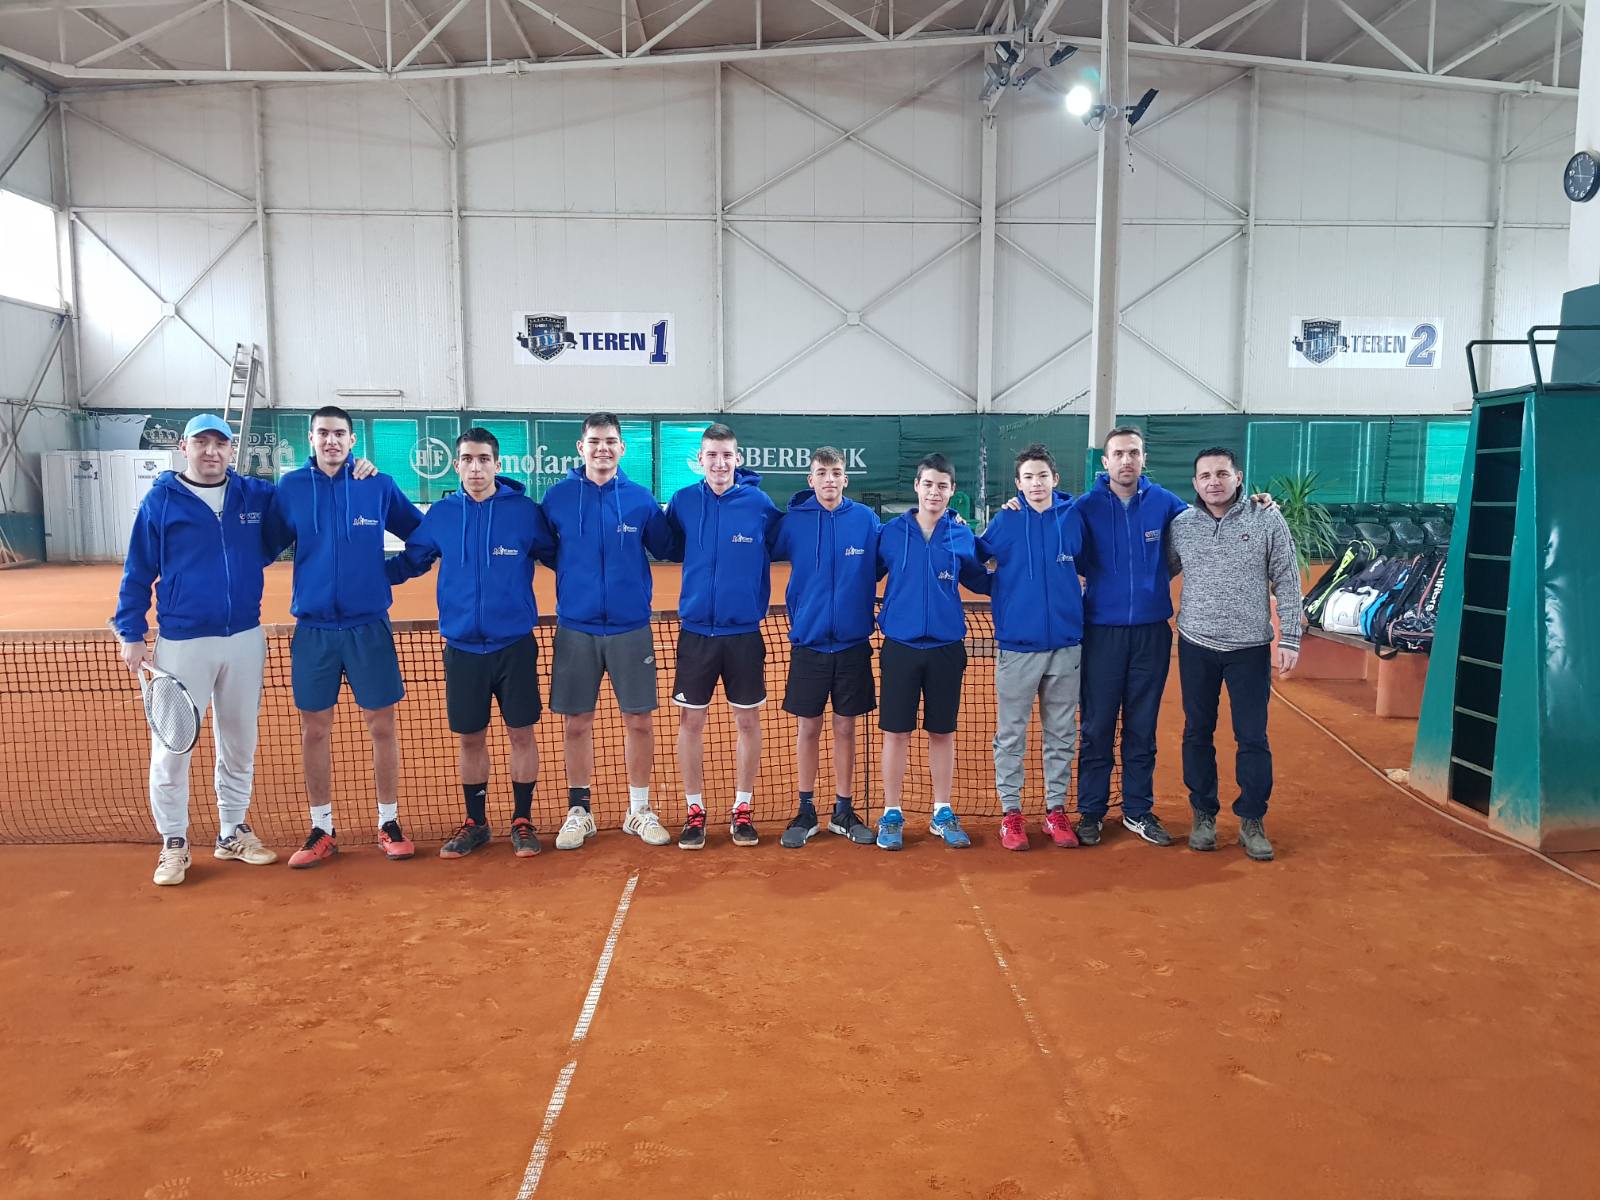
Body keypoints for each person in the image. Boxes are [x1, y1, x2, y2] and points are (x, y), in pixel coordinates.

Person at [112, 414, 281, 886]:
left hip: (244, 637)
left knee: (240, 741)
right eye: (201, 442)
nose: (211, 451)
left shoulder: (254, 495)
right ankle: (174, 842)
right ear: (184, 447)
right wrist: (130, 632)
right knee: (172, 750)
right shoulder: (161, 500)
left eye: (220, 443)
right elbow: (137, 570)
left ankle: (232, 832)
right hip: (183, 642)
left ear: (231, 450)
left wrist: (354, 469)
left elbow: (295, 511)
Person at [263, 405, 424, 869]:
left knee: (382, 726)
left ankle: (389, 822)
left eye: (339, 433)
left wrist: (389, 573)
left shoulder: (377, 484)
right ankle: (322, 828)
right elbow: (261, 546)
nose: (331, 440)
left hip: (368, 627)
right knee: (314, 730)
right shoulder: (291, 488)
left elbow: (423, 537)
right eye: (323, 433)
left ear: (352, 440)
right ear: (310, 438)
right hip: (313, 630)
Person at [386, 428, 554, 859]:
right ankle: (476, 823)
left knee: (522, 734)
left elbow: (562, 556)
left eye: (483, 459)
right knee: (470, 739)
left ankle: (522, 820)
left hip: (514, 645)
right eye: (467, 459)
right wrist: (364, 576)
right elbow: (410, 562)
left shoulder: (525, 513)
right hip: (462, 649)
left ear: (496, 464)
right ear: (457, 465)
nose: (475, 467)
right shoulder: (442, 515)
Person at [538, 412, 677, 850]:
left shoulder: (640, 499)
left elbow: (667, 546)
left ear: (621, 448)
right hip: (575, 628)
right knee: (577, 724)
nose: (603, 448)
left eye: (611, 441)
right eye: (595, 441)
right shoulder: (557, 498)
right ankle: (580, 812)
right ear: (581, 447)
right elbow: (544, 549)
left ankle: (639, 810)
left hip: (630, 627)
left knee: (639, 721)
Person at [1168, 447, 1302, 862]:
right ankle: (1203, 815)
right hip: (1196, 644)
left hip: (1250, 648)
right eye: (1205, 475)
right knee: (1197, 732)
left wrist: (1291, 637)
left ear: (1238, 477)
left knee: (1252, 737)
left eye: (1222, 473)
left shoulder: (1267, 518)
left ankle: (1252, 820)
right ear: (1195, 483)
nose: (1214, 482)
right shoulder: (1181, 526)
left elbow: (1287, 577)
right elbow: (1156, 570)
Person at [662, 423, 781, 850]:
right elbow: (668, 545)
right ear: (700, 459)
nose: (719, 463)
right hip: (696, 633)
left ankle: (742, 808)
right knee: (690, 723)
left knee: (748, 721)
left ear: (738, 458)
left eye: (726, 454)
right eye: (711, 454)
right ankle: (694, 810)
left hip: (743, 634)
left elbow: (784, 542)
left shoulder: (760, 505)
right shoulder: (683, 501)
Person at [873, 453, 991, 851]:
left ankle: (942, 811)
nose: (934, 492)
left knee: (942, 732)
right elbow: (864, 574)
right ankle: (892, 812)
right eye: (928, 484)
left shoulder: (961, 536)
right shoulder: (890, 533)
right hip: (900, 648)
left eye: (942, 485)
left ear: (952, 490)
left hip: (946, 648)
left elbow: (982, 580)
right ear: (917, 487)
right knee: (896, 733)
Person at [770, 447, 881, 848]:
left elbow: (893, 553)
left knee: (846, 728)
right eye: (822, 472)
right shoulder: (793, 522)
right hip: (809, 643)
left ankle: (843, 811)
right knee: (808, 728)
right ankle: (806, 809)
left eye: (836, 472)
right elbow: (754, 545)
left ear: (845, 479)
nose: (829, 479)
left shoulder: (866, 520)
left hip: (852, 644)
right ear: (810, 479)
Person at [981, 444, 1086, 851]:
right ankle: (1011, 814)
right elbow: (976, 561)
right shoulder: (1005, 520)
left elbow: (1091, 563)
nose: (1036, 483)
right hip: (1018, 648)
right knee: (1011, 734)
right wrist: (1003, 594)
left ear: (1054, 479)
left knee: (1061, 733)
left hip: (1066, 646)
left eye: (1042, 476)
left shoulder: (1073, 517)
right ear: (1018, 484)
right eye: (1028, 477)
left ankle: (1055, 810)